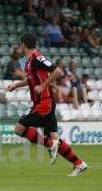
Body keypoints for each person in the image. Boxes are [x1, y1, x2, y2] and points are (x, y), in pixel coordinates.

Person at [7, 33, 87, 176]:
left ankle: (51, 145)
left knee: (19, 128)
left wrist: (43, 86)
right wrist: (16, 86)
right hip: (45, 103)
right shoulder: (29, 61)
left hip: (44, 103)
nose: (19, 47)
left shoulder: (37, 57)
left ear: (24, 44)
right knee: (54, 138)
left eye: (20, 44)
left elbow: (57, 70)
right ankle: (79, 164)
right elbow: (30, 80)